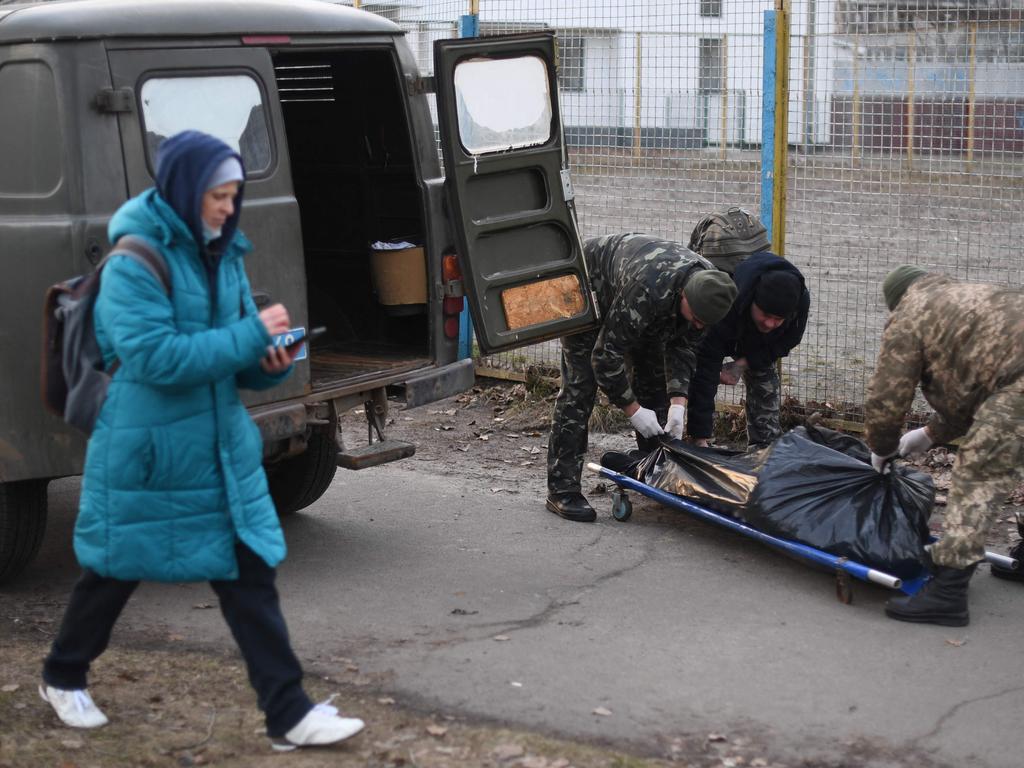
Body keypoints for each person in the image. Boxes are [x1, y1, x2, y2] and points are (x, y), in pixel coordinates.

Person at [39, 131, 365, 751]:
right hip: (149, 449)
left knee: (248, 577)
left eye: (234, 193)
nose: (226, 205)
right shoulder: (135, 261)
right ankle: (61, 674)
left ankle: (287, 712)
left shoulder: (225, 254)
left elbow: (235, 364)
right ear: (185, 190)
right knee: (114, 569)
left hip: (219, 445)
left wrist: (268, 359)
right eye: (217, 193)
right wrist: (247, 338)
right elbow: (154, 359)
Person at [865, 265, 1024, 627]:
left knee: (979, 474)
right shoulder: (963, 300)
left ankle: (948, 592)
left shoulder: (910, 314)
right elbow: (973, 388)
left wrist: (882, 444)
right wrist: (930, 434)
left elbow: (888, 398)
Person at [546, 233, 738, 522]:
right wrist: (633, 411)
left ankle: (653, 465)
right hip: (586, 286)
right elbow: (605, 356)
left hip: (640, 300)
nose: (698, 325)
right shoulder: (648, 290)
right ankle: (563, 489)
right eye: (696, 318)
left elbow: (683, 347)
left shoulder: (708, 295)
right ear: (685, 296)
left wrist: (678, 403)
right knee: (580, 388)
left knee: (652, 379)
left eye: (703, 323)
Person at [686, 208, 810, 450]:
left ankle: (765, 449)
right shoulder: (726, 306)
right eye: (766, 315)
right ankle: (687, 435)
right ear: (752, 301)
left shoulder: (798, 304)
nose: (770, 324)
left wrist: (742, 364)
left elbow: (783, 344)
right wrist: (700, 437)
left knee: (765, 379)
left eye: (778, 320)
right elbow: (707, 365)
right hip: (728, 325)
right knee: (692, 374)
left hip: (755, 342)